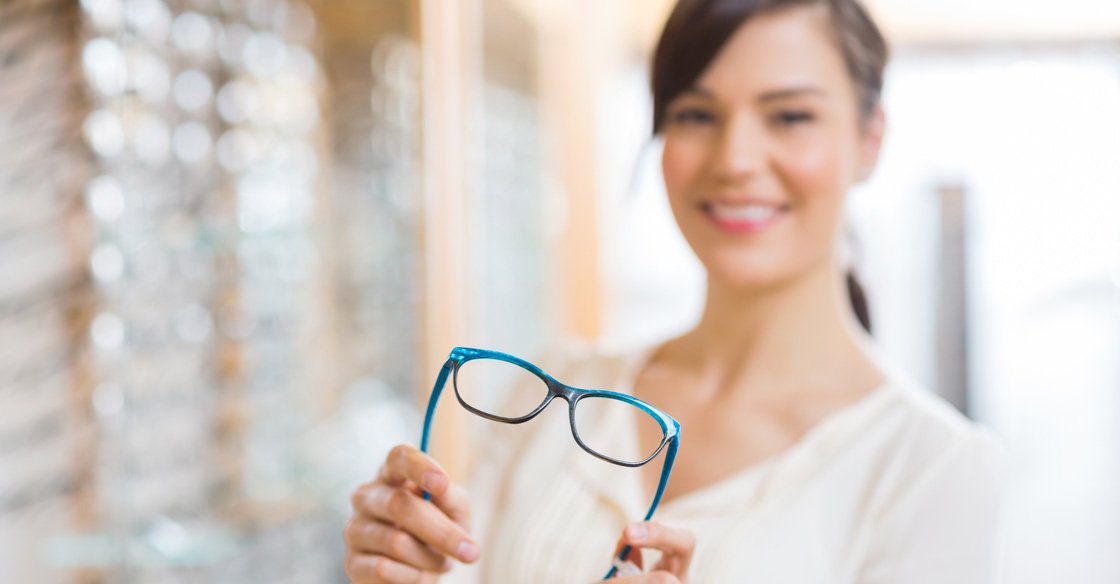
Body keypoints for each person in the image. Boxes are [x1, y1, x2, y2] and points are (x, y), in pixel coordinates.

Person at [344, 0, 1005, 582]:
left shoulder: (930, 469)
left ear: (869, 139)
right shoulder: (551, 393)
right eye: (696, 113)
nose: (736, 159)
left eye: (790, 116)